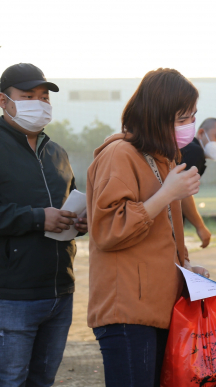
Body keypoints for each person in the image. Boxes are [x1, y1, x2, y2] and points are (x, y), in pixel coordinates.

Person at [86, 68, 210, 387]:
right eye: (182, 118)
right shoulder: (119, 155)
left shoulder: (162, 159)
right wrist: (167, 193)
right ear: (157, 116)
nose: (189, 126)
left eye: (193, 116)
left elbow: (161, 235)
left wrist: (185, 268)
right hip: (127, 310)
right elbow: (108, 231)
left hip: (160, 306)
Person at [0, 63, 88, 386]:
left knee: (43, 381)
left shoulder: (57, 153)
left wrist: (80, 221)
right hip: (11, 296)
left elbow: (69, 202)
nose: (39, 103)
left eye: (44, 97)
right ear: (3, 101)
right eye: (28, 96)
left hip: (59, 292)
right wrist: (39, 218)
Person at [180, 118, 216, 248]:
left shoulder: (189, 148)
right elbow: (183, 192)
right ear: (201, 133)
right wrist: (200, 227)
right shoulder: (195, 152)